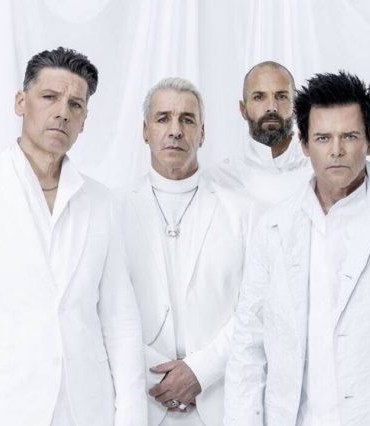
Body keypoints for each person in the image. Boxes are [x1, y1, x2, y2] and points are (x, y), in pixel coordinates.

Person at [0, 47, 146, 425]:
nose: (62, 112)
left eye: (75, 105)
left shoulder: (101, 203)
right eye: (49, 97)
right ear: (21, 102)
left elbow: (121, 322)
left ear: (84, 120)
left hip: (85, 411)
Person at [225, 71, 370, 425]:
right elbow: (248, 347)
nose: (336, 150)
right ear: (303, 143)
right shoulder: (273, 228)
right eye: (323, 138)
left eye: (349, 136)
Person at [116, 77, 251, 426]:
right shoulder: (112, 211)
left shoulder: (242, 212)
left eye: (187, 120)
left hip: (219, 403)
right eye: (163, 118)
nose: (175, 130)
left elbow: (256, 307)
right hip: (141, 402)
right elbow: (105, 311)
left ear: (202, 133)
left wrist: (200, 370)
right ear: (145, 130)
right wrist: (157, 374)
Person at [207, 61, 311, 208]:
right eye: (259, 97)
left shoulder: (317, 172)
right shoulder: (219, 179)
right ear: (243, 109)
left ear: (295, 108)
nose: (272, 108)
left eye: (281, 96)